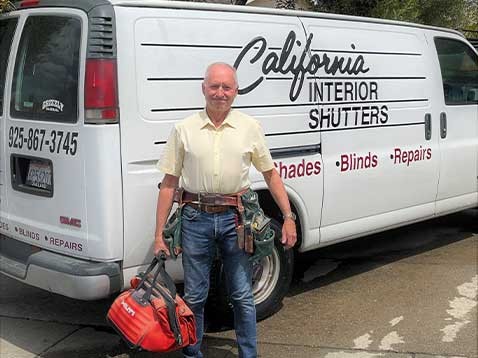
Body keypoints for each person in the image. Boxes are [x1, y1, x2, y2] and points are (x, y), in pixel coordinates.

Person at [154, 62, 297, 358]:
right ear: (203, 88)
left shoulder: (250, 127)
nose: (220, 93)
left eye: (227, 87)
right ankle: (193, 354)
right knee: (194, 296)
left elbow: (271, 174)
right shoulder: (184, 129)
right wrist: (158, 236)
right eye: (215, 86)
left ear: (236, 91)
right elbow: (169, 183)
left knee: (243, 295)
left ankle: (248, 354)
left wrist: (288, 216)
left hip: (237, 221)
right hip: (195, 218)